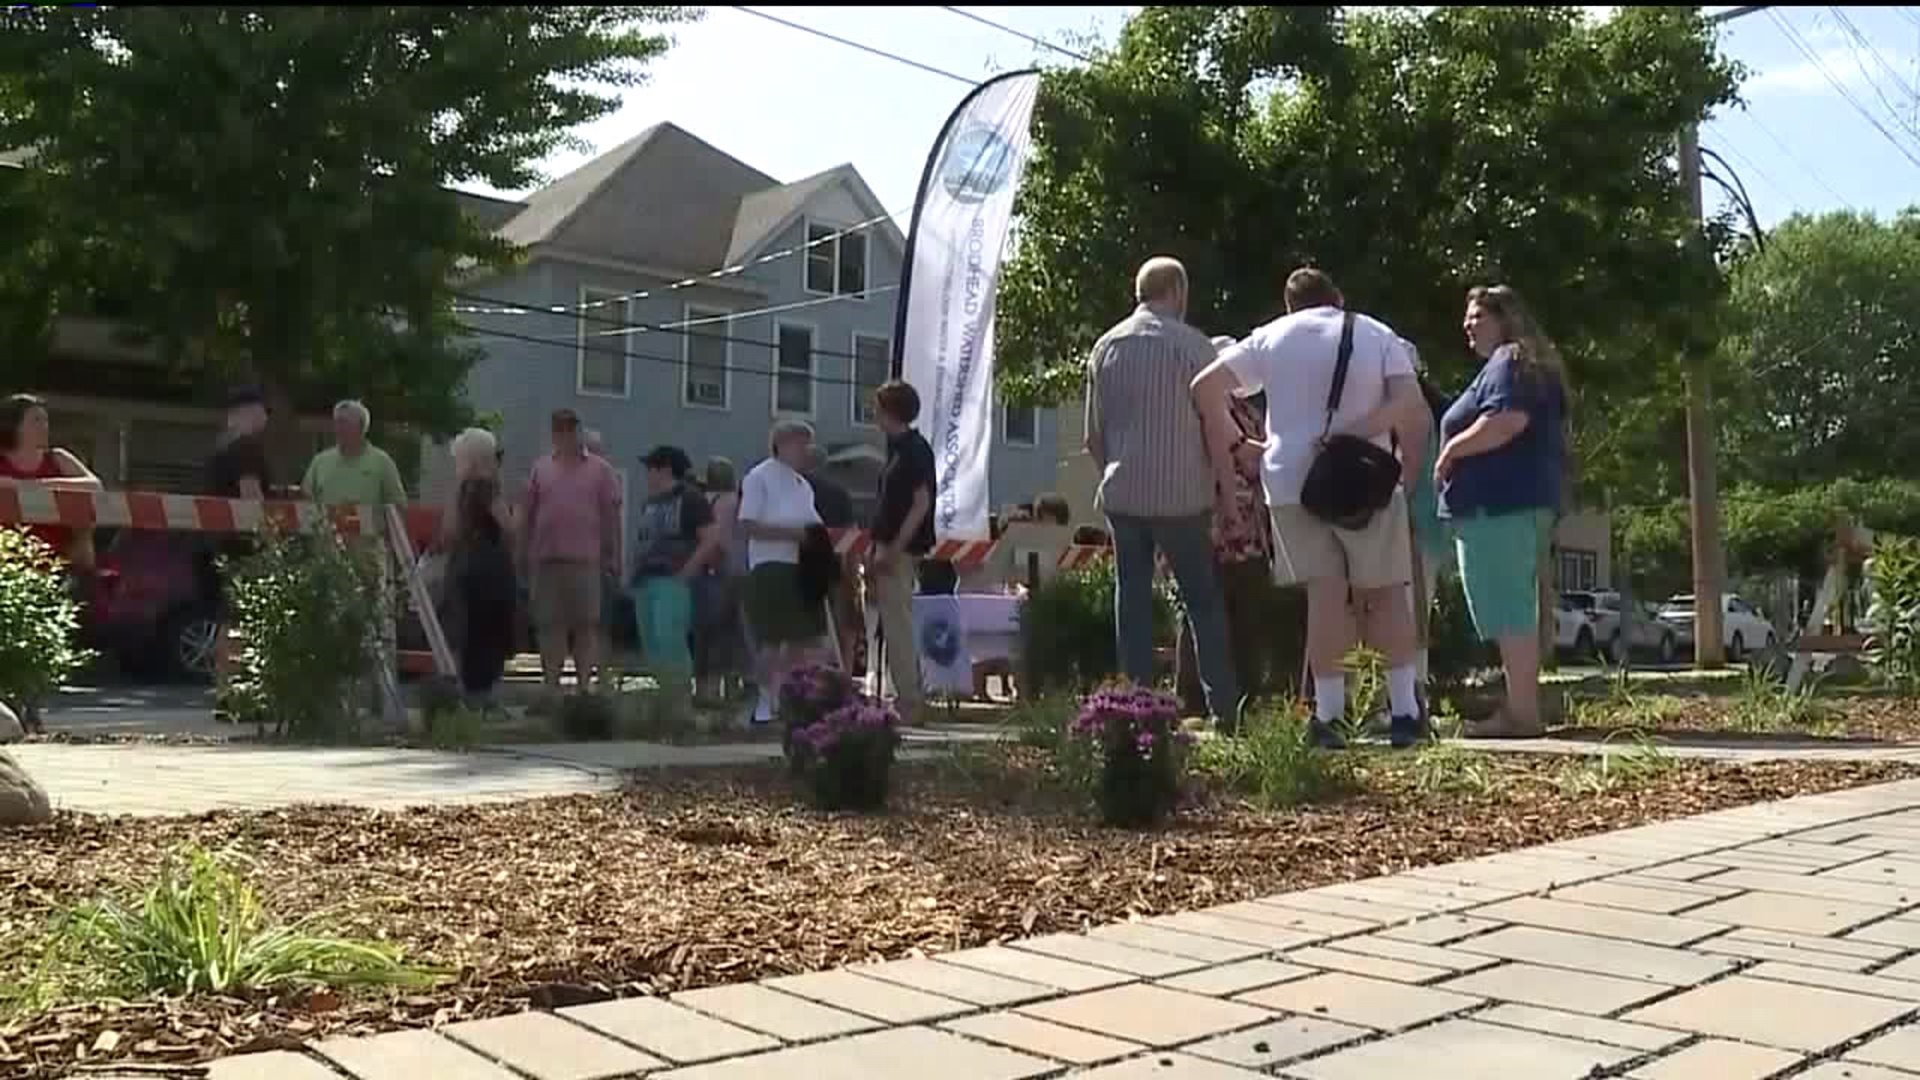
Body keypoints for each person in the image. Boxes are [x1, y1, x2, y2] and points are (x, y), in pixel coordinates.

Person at [1192, 267, 1427, 748]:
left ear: (1288, 304)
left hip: (1294, 481)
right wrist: (1359, 433)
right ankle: (1404, 711)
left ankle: (1330, 714)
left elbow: (1204, 386)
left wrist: (1241, 443)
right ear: (1337, 299)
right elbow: (1408, 402)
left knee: (1325, 596)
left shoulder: (1271, 337)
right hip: (1364, 476)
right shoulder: (1376, 333)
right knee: (1384, 593)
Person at [1087, 256, 1241, 729]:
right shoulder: (1194, 347)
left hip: (1123, 492)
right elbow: (1217, 430)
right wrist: (1229, 498)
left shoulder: (1105, 347)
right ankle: (1225, 711)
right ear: (1176, 290)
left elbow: (1093, 436)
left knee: (1131, 599)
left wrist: (1115, 474)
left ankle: (1135, 708)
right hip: (1182, 495)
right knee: (1201, 600)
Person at [1438, 284, 1569, 738]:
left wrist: (1451, 449)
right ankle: (1521, 708)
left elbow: (1507, 421)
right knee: (1513, 606)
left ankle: (1521, 715)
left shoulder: (1509, 360)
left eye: (1478, 316)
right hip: (1513, 504)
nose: (1468, 324)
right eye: (1467, 316)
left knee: (1509, 606)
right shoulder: (1520, 363)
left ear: (1504, 318)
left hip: (1500, 505)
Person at [1175, 337, 1274, 718]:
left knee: (1203, 607)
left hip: (1214, 517)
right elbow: (1248, 458)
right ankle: (1234, 696)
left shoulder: (1201, 408)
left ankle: (1198, 698)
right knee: (1235, 606)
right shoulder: (1228, 411)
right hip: (1233, 520)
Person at [301, 399, 410, 723]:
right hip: (329, 562)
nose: (340, 429)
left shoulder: (380, 463)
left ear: (361, 428)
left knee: (377, 632)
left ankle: (382, 701)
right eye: (337, 423)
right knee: (332, 631)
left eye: (346, 424)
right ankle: (336, 703)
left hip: (369, 562)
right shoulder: (321, 462)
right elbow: (307, 502)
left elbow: (397, 507)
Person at [521, 408, 623, 702]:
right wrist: (524, 552)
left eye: (570, 429)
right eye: (559, 430)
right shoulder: (541, 468)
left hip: (586, 559)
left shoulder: (601, 470)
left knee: (586, 623)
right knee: (549, 624)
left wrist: (614, 554)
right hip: (546, 557)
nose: (565, 435)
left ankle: (583, 687)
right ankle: (551, 686)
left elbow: (611, 515)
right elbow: (529, 512)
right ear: (554, 434)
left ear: (578, 431)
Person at [739, 420, 827, 725]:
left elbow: (813, 525)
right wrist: (792, 534)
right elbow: (748, 523)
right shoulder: (759, 477)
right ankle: (763, 700)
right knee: (772, 641)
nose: (805, 450)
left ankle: (790, 697)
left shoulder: (803, 485)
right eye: (800, 443)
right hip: (770, 567)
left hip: (800, 569)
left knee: (800, 640)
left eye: (807, 444)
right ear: (782, 443)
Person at [630, 445, 720, 711]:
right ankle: (665, 699)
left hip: (673, 579)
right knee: (651, 642)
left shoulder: (691, 499)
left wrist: (686, 572)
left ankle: (680, 704)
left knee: (669, 638)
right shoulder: (650, 502)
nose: (647, 474)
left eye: (651, 468)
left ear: (665, 468)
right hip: (644, 579)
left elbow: (711, 538)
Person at [867, 379, 937, 719]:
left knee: (898, 623)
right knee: (893, 622)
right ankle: (906, 692)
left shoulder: (914, 449)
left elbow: (920, 502)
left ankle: (909, 698)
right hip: (886, 544)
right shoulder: (896, 450)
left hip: (899, 549)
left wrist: (895, 547)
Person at [203, 386, 273, 709]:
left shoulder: (219, 449)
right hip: (244, 545)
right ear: (245, 413)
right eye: (260, 411)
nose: (265, 418)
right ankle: (238, 693)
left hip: (218, 542)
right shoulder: (246, 448)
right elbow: (250, 496)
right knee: (242, 619)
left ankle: (225, 688)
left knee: (227, 620)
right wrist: (269, 538)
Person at [442, 427, 517, 705]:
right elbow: (508, 527)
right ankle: (484, 695)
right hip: (489, 565)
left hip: (463, 563)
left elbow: (448, 531)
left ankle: (469, 693)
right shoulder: (486, 487)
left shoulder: (461, 488)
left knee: (467, 630)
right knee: (489, 632)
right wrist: (519, 514)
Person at [0, 393, 104, 566]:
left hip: (58, 562)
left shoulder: (58, 458)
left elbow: (94, 486)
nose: (44, 427)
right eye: (36, 421)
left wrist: (32, 485)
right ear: (14, 425)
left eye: (45, 421)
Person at [802, 444, 862, 670]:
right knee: (842, 626)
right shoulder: (839, 494)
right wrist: (853, 572)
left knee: (806, 630)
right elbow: (852, 535)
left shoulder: (796, 489)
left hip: (801, 566)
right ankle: (843, 673)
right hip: (834, 567)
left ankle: (806, 676)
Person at [695, 457, 746, 703]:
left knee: (706, 633)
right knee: (732, 633)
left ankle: (705, 687)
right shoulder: (733, 503)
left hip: (705, 572)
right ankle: (731, 685)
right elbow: (724, 540)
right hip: (733, 572)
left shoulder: (703, 501)